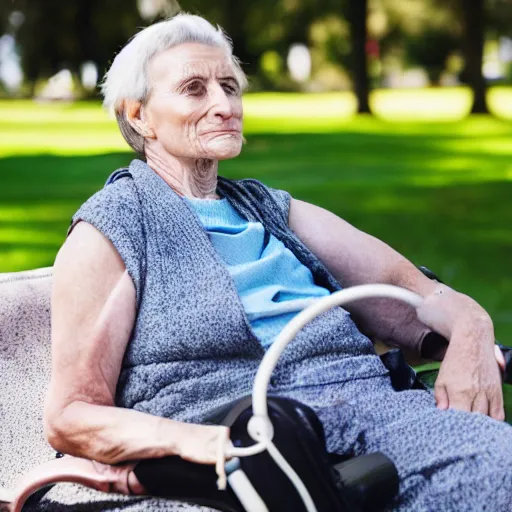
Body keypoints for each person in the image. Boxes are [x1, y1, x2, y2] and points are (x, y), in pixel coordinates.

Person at [40, 13, 512, 512]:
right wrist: (191, 441)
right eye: (195, 89)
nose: (224, 106)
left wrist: (473, 329)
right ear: (138, 115)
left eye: (229, 86)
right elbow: (71, 415)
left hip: (381, 417)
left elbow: (416, 291)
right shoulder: (114, 226)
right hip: (241, 456)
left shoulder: (271, 209)